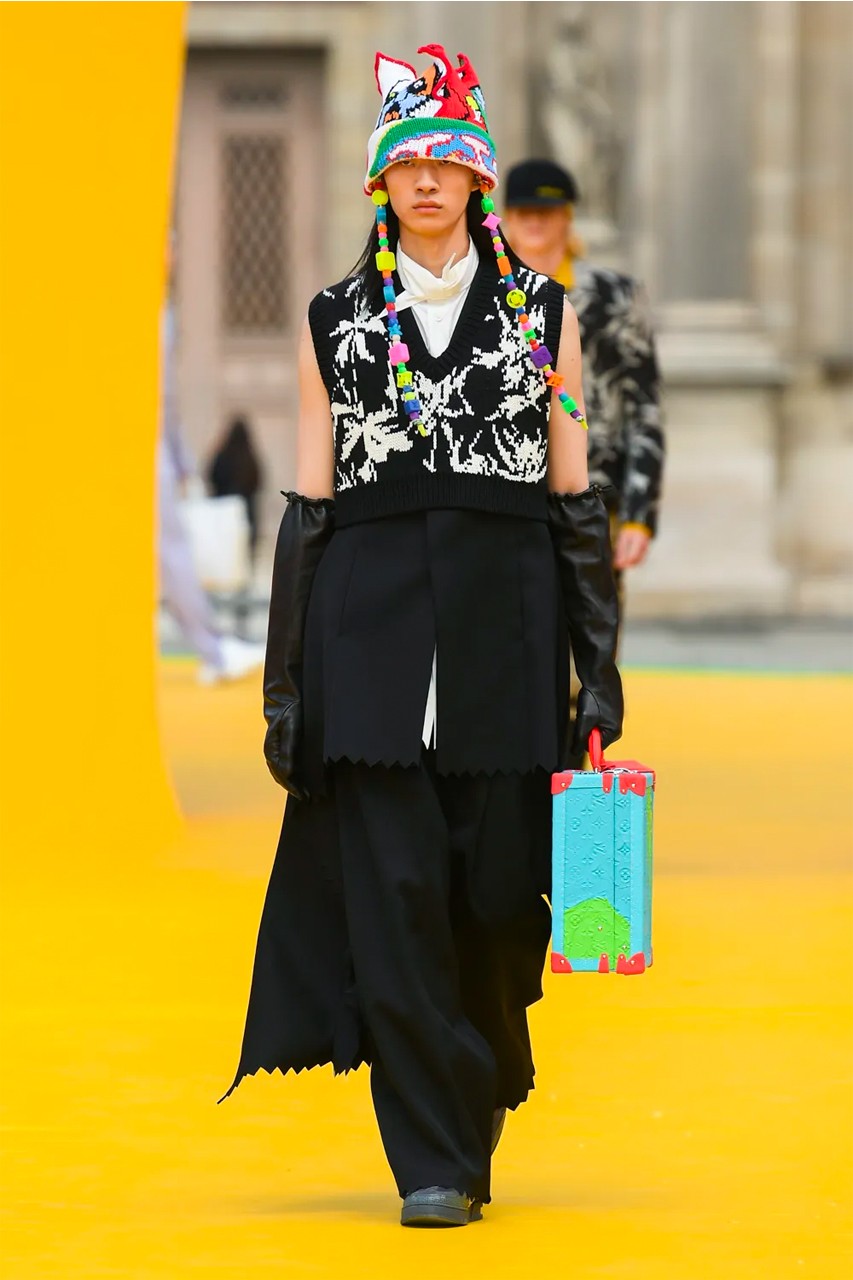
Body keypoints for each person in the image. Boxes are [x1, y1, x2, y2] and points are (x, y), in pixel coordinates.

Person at [221, 45, 622, 1228]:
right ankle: (431, 1159)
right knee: (391, 908)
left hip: (507, 641)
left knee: (500, 905)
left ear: (479, 179)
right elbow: (309, 510)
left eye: (451, 158)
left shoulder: (546, 320)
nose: (431, 179)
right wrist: (286, 682)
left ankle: (478, 1076)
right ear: (380, 184)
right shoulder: (334, 321)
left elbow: (573, 501)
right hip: (372, 653)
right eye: (411, 162)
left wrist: (596, 671)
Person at [503, 159, 665, 760]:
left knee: (592, 655)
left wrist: (640, 514)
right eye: (524, 213)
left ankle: (576, 785)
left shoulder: (615, 297)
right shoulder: (490, 295)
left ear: (568, 219)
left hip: (595, 503)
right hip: (513, 497)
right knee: (518, 650)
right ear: (505, 220)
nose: (536, 224)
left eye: (547, 213)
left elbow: (644, 406)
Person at [158, 297, 265, 685]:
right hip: (150, 454)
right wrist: (178, 459)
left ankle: (214, 648)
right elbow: (163, 398)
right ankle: (214, 650)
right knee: (173, 555)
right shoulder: (156, 313)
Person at [208, 415, 263, 559]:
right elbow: (258, 482)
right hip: (246, 510)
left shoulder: (222, 456)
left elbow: (212, 476)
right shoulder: (250, 458)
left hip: (223, 509)